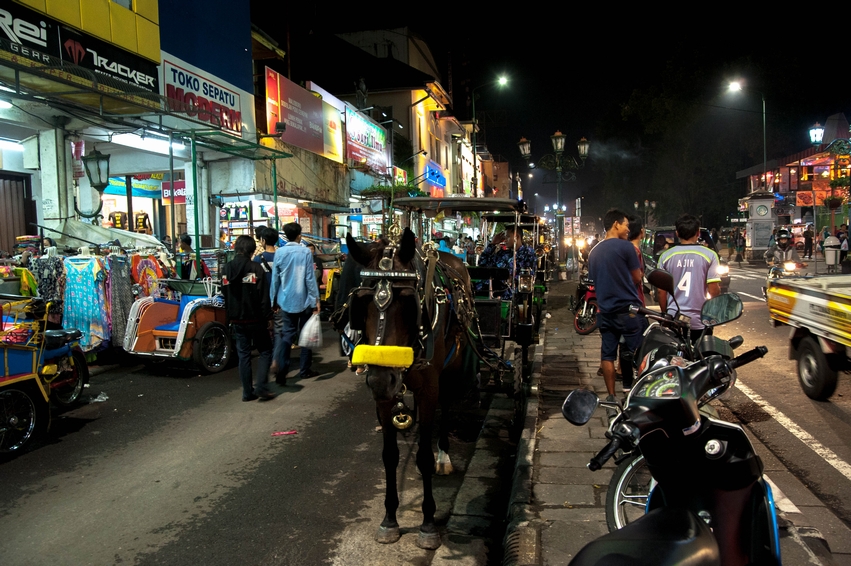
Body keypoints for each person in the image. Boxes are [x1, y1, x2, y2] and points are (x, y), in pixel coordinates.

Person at [587, 209, 643, 404]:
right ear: (616, 224)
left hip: (605, 312)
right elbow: (637, 277)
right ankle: (634, 393)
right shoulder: (626, 247)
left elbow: (595, 279)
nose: (628, 229)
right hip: (628, 311)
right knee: (637, 352)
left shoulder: (594, 252)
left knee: (608, 354)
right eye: (626, 225)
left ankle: (611, 396)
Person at [221, 235, 275, 402]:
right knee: (265, 350)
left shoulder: (226, 269)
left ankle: (247, 392)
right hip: (256, 318)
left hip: (236, 318)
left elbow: (224, 292)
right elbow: (263, 296)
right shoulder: (256, 268)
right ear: (252, 251)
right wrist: (268, 317)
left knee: (243, 355)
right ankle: (261, 386)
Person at [658, 214, 722, 344]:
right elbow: (713, 290)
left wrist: (665, 315)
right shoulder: (710, 255)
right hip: (700, 320)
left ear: (677, 233)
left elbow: (661, 291)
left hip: (674, 318)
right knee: (701, 354)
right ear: (698, 232)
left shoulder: (665, 256)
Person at [270, 222, 321, 383]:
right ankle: (304, 370)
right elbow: (309, 278)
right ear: (299, 236)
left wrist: (273, 300)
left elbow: (275, 279)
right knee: (306, 335)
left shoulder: (279, 252)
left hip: (285, 300)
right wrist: (316, 299)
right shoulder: (305, 252)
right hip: (305, 300)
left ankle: (282, 371)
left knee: (287, 335)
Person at [476, 225, 536, 299]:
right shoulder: (503, 253)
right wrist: (492, 244)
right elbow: (482, 264)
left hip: (511, 293)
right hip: (491, 289)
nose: (505, 240)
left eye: (508, 237)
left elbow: (526, 278)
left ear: (516, 237)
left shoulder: (528, 253)